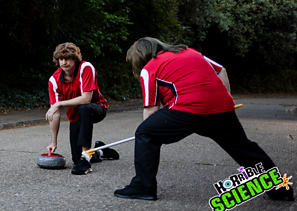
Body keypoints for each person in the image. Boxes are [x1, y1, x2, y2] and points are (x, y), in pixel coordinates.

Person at [114, 37, 294, 201]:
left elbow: (151, 111)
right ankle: (280, 190)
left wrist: (150, 133)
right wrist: (227, 101)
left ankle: (143, 186)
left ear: (140, 58)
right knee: (243, 148)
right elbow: (221, 70)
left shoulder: (149, 68)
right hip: (221, 108)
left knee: (145, 132)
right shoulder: (190, 52)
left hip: (188, 109)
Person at [46, 42, 119, 175]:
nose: (64, 62)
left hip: (96, 108)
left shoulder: (85, 67)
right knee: (75, 159)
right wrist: (53, 142)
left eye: (67, 58)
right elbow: (54, 114)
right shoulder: (54, 80)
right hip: (76, 117)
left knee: (84, 108)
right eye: (61, 59)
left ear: (74, 58)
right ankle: (100, 151)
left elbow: (86, 99)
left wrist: (59, 104)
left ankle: (86, 157)